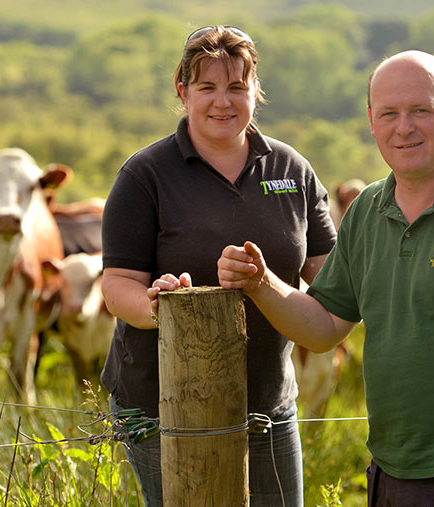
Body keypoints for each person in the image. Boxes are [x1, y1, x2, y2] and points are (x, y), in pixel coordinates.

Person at [218, 50, 434, 506]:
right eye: (389, 114)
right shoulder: (367, 210)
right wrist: (261, 282)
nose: (404, 127)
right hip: (391, 470)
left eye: (421, 110)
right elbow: (323, 328)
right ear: (371, 121)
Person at [100, 25, 336, 506]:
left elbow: (331, 276)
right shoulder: (145, 175)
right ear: (183, 92)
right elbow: (117, 285)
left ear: (255, 92)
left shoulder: (291, 172)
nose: (222, 102)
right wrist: (159, 305)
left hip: (267, 401)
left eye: (236, 87)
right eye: (207, 87)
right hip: (163, 402)